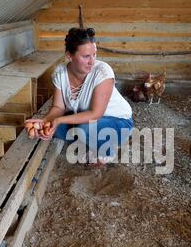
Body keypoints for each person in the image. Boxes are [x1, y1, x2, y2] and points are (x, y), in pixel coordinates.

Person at [25, 27, 133, 167]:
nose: (92, 61)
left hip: (118, 123)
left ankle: (106, 153)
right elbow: (58, 107)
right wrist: (45, 121)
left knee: (84, 129)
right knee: (53, 129)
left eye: (94, 54)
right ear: (69, 56)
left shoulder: (103, 72)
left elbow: (96, 114)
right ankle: (88, 140)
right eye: (86, 56)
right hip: (85, 120)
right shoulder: (60, 73)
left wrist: (58, 120)